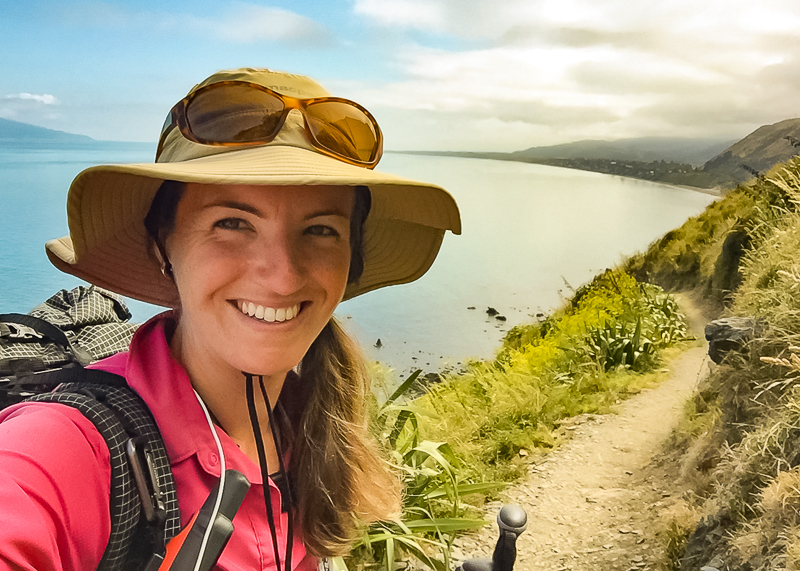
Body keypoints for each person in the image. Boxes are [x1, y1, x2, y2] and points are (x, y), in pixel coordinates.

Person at [0, 67, 461, 570]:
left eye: (321, 230)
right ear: (163, 246)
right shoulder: (67, 449)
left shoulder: (304, 421)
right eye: (233, 223)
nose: (283, 278)